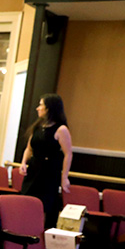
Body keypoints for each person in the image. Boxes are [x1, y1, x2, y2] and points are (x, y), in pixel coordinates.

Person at [19, 93, 73, 229]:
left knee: (44, 206)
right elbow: (29, 148)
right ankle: (24, 229)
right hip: (34, 169)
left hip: (48, 172)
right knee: (26, 201)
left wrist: (64, 176)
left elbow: (68, 154)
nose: (38, 108)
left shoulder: (61, 129)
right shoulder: (37, 127)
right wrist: (23, 163)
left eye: (41, 105)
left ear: (49, 108)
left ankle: (38, 235)